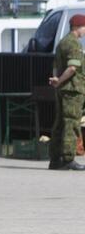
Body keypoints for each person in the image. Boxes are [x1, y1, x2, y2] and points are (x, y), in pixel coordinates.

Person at [48, 14, 85, 171]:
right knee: (71, 123)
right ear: (77, 27)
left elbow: (56, 66)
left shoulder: (62, 43)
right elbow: (72, 68)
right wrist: (60, 80)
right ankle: (68, 159)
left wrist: (57, 80)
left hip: (62, 90)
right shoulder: (74, 44)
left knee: (59, 124)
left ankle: (55, 159)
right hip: (73, 90)